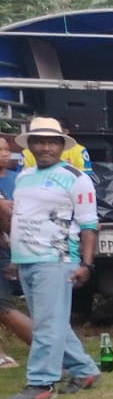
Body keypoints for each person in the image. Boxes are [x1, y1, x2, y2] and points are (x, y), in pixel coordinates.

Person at [4, 117, 100, 399]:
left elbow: (89, 225)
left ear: (61, 145)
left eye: (52, 142)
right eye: (39, 142)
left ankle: (41, 382)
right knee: (51, 322)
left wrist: (87, 264)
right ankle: (84, 370)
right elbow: (22, 217)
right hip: (26, 258)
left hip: (57, 258)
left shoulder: (76, 177)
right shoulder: (24, 176)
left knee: (47, 325)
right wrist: (15, 256)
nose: (46, 147)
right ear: (30, 145)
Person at [0, 134, 36, 368]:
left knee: (3, 305)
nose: (4, 154)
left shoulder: (18, 179)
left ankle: (54, 350)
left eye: (6, 149)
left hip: (11, 248)